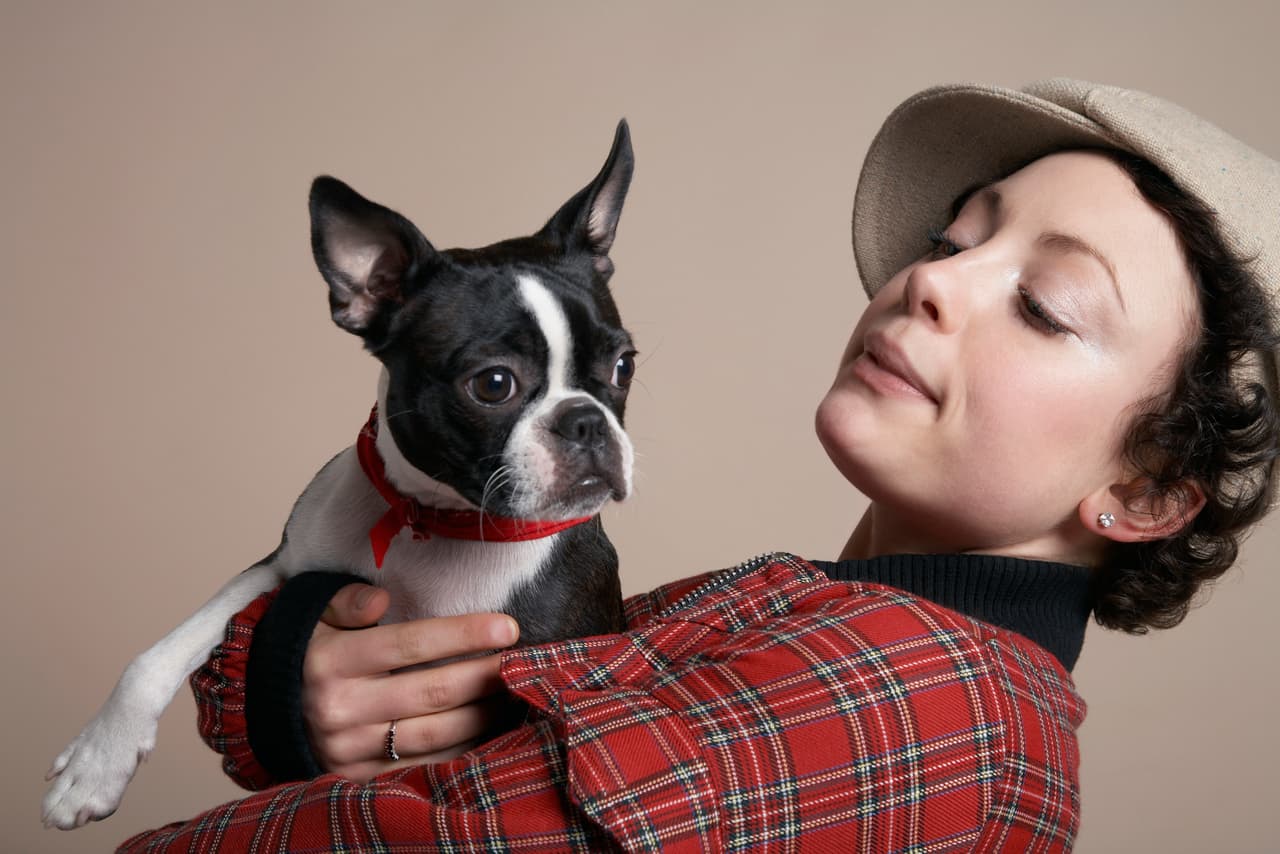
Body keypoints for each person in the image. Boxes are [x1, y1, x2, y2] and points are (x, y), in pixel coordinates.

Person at [119, 79, 1280, 852]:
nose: (934, 280)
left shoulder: (927, 708)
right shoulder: (770, 617)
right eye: (953, 240)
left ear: (1140, 490)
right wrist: (291, 688)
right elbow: (428, 772)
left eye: (1042, 303)